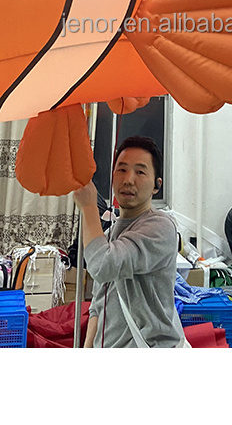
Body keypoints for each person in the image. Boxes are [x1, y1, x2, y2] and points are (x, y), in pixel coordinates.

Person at [72, 135, 186, 348]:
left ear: (156, 185)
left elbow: (103, 266)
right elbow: (97, 304)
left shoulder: (160, 227)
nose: (128, 180)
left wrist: (89, 208)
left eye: (140, 171)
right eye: (122, 169)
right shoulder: (110, 235)